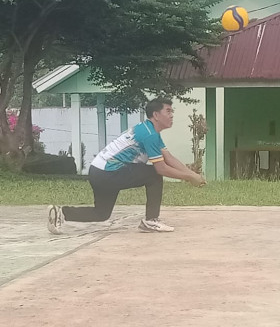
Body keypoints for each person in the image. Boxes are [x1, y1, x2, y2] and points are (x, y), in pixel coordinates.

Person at [47, 97, 206, 234]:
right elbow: (161, 168)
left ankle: (61, 212)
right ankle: (151, 220)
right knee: (154, 175)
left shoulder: (148, 130)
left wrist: (192, 175)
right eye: (168, 111)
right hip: (109, 172)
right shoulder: (149, 135)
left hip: (99, 171)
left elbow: (169, 157)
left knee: (101, 213)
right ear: (156, 115)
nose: (172, 115)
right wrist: (189, 177)